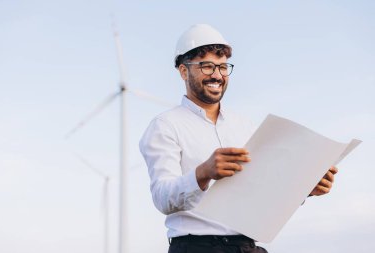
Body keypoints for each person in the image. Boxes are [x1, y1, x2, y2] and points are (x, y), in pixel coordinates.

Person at [139, 24, 337, 253]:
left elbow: (263, 191)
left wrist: (303, 188)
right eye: (207, 66)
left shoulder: (246, 127)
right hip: (196, 247)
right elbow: (162, 198)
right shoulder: (165, 125)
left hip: (247, 247)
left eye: (223, 67)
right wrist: (203, 173)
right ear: (184, 71)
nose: (217, 75)